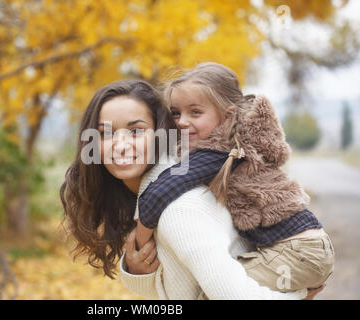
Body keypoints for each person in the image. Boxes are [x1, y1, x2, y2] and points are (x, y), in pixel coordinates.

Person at [60, 79, 318, 299]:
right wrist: (138, 272)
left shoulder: (179, 210)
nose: (121, 145)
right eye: (105, 134)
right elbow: (185, 287)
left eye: (136, 131)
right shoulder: (156, 193)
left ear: (161, 135)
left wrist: (298, 294)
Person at [133, 62, 334, 294]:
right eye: (176, 113)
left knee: (218, 292)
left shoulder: (222, 152)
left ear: (227, 117)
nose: (182, 121)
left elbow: (162, 190)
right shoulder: (225, 145)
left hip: (296, 252)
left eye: (195, 112)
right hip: (305, 249)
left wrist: (140, 243)